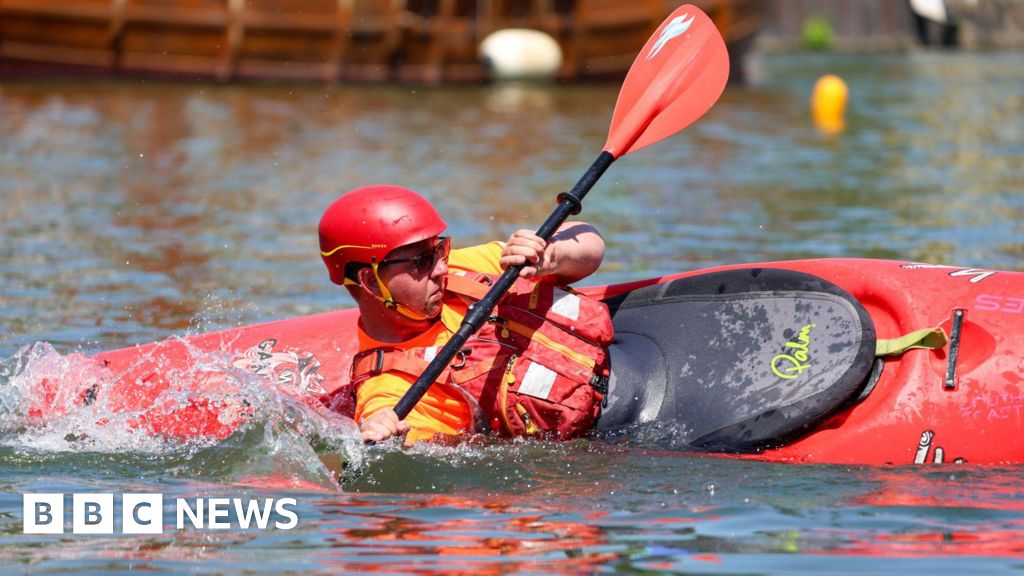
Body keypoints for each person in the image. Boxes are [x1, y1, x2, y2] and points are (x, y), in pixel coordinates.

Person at [318, 185, 611, 444]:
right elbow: (396, 438)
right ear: (371, 282)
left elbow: (591, 241)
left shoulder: (461, 267)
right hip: (610, 428)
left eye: (439, 249)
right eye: (421, 261)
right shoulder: (389, 388)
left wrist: (552, 255)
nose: (442, 268)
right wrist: (384, 435)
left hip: (622, 348)